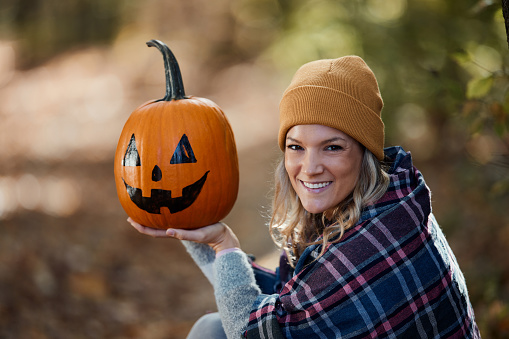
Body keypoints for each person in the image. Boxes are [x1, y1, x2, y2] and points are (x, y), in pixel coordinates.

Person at [128, 56, 481, 338]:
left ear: (365, 152)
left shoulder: (372, 246)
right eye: (296, 147)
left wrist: (226, 246)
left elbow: (253, 331)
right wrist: (207, 239)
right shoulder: (384, 203)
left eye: (332, 147)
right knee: (212, 328)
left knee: (214, 331)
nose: (309, 168)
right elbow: (291, 302)